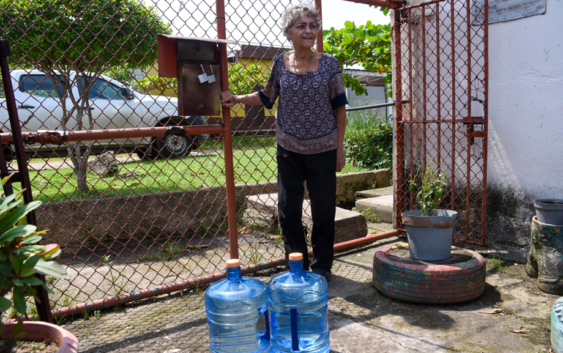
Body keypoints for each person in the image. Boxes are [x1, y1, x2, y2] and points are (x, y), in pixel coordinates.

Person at [221, 3, 347, 282]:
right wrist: (238, 99)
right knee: (288, 209)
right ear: (288, 31)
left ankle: (323, 266)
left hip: (324, 148)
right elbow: (267, 97)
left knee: (323, 210)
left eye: (312, 25)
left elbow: (340, 109)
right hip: (289, 148)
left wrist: (340, 147)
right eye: (301, 26)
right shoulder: (280, 63)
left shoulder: (329, 64)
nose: (308, 31)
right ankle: (297, 264)